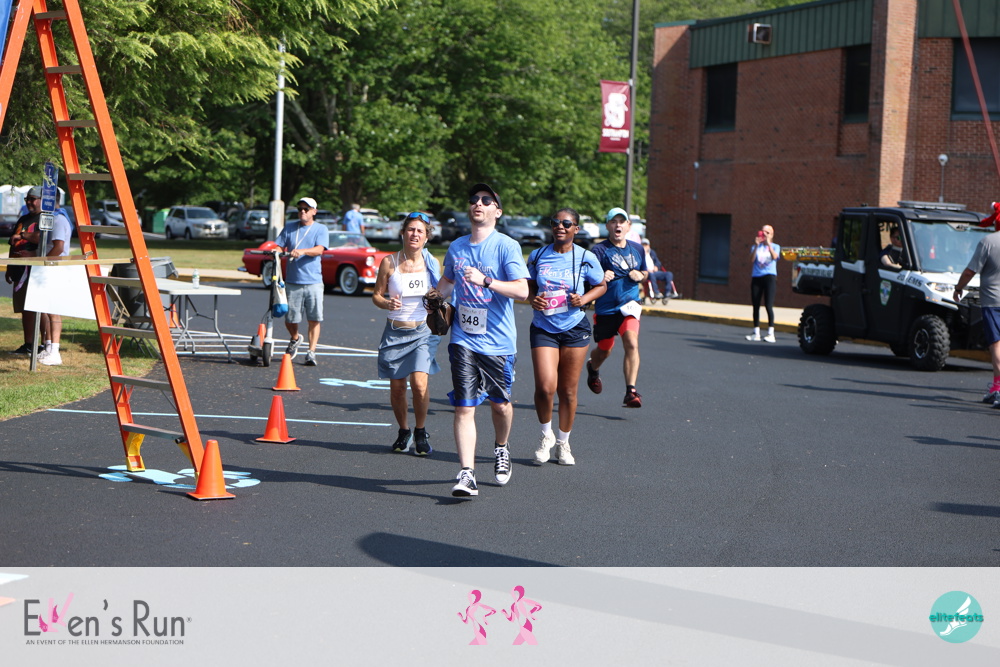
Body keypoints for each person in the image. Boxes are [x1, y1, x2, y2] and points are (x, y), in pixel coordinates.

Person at [435, 183, 529, 498]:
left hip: (498, 342)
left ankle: (501, 447)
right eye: (474, 199)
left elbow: (522, 291)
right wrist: (434, 297)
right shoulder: (457, 247)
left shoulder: (507, 246)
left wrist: (486, 280)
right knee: (464, 407)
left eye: (486, 200)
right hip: (463, 338)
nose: (478, 203)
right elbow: (448, 281)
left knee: (500, 405)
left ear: (497, 211)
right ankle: (467, 473)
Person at [527, 208, 606, 466]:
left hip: (574, 327)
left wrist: (583, 299)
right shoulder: (538, 255)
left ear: (576, 229)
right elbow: (528, 286)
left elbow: (601, 285)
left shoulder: (585, 257)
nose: (560, 226)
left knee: (568, 391)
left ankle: (563, 443)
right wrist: (533, 299)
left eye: (566, 223)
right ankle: (545, 436)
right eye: (555, 222)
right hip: (544, 326)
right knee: (545, 387)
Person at [371, 212, 441, 456]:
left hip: (423, 331)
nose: (415, 234)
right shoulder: (389, 262)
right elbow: (376, 295)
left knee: (419, 384)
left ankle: (421, 431)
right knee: (398, 388)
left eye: (420, 231)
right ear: (402, 233)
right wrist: (386, 303)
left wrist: (436, 298)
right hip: (395, 332)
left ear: (426, 237)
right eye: (411, 229)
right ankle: (404, 431)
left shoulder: (432, 263)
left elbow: (441, 292)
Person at [585, 207, 648, 408]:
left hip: (630, 304)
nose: (617, 225)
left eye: (621, 222)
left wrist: (641, 275)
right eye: (613, 221)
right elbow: (586, 278)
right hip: (606, 308)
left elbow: (645, 272)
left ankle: (631, 391)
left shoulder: (637, 249)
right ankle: (593, 368)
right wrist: (600, 277)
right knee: (605, 350)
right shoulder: (599, 250)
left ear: (628, 226)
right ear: (607, 226)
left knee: (631, 342)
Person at [19, 187, 72, 366]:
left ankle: (55, 351)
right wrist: (33, 255)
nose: (30, 202)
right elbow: (46, 244)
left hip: (53, 268)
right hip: (47, 266)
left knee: (53, 311)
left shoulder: (58, 219)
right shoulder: (50, 218)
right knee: (45, 309)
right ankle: (48, 346)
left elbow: (58, 247)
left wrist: (44, 263)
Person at [276, 196, 329, 366]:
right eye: (300, 209)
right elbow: (279, 245)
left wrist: (302, 251)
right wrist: (276, 251)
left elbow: (319, 250)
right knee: (290, 318)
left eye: (306, 209)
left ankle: (311, 352)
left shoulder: (321, 229)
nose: (302, 212)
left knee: (314, 318)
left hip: (313, 281)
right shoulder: (290, 227)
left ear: (314, 211)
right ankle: (295, 338)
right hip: (293, 281)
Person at [954, 210, 1000, 406]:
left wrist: (958, 288)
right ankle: (996, 387)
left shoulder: (988, 242)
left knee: (996, 344)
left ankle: (999, 388)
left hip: (993, 301)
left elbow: (969, 272)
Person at [6, 188, 41, 355]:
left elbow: (42, 238)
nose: (29, 202)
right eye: (27, 198)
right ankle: (28, 344)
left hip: (36, 270)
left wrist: (23, 236)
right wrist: (9, 267)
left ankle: (45, 344)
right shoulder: (23, 219)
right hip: (18, 269)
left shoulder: (45, 218)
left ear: (42, 199)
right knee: (25, 308)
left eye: (33, 199)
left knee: (39, 308)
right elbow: (12, 243)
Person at [746, 224, 780, 343]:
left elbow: (775, 257)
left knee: (768, 305)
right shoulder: (756, 246)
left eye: (767, 232)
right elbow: (751, 259)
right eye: (763, 231)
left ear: (772, 234)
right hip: (757, 277)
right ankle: (756, 332)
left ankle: (771, 333)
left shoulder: (775, 246)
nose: (764, 234)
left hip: (769, 277)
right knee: (756, 305)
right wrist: (756, 245)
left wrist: (768, 244)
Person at [641, 237, 677, 304]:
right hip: (647, 273)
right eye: (643, 245)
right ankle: (656, 292)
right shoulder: (640, 254)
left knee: (669, 274)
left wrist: (656, 266)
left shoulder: (652, 253)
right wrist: (646, 269)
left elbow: (658, 262)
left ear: (649, 246)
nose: (645, 247)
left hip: (655, 272)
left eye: (646, 245)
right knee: (651, 275)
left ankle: (667, 293)